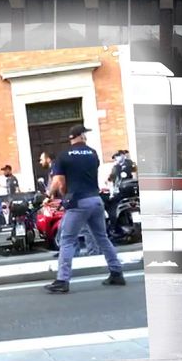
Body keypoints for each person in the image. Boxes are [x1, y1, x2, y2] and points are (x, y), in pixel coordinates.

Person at [45, 125, 125, 293]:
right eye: (84, 134)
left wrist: (49, 195)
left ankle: (62, 280)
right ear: (79, 136)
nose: (85, 136)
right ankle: (116, 272)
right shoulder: (93, 153)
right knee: (102, 238)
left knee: (67, 240)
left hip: (78, 202)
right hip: (95, 200)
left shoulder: (64, 156)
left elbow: (59, 182)